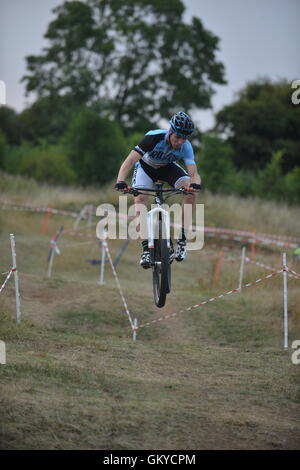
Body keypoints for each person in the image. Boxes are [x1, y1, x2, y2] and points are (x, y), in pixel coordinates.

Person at [115, 111, 202, 268]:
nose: (180, 142)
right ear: (170, 131)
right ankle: (146, 249)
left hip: (168, 169)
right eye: (178, 137)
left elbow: (194, 173)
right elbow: (130, 161)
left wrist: (195, 184)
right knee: (140, 200)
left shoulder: (186, 146)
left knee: (191, 192)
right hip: (145, 168)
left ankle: (182, 238)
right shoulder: (153, 138)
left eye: (184, 138)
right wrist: (120, 180)